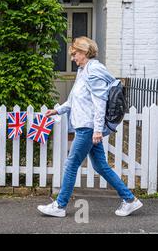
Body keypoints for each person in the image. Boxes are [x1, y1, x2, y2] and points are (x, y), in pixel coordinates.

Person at [37, 36, 143, 217]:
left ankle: (60, 206)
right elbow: (73, 100)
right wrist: (57, 111)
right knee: (101, 166)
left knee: (71, 164)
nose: (72, 58)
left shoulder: (93, 72)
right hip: (85, 126)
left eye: (75, 54)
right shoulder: (83, 70)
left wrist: (96, 130)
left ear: (85, 52)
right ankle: (130, 200)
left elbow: (100, 103)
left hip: (87, 127)